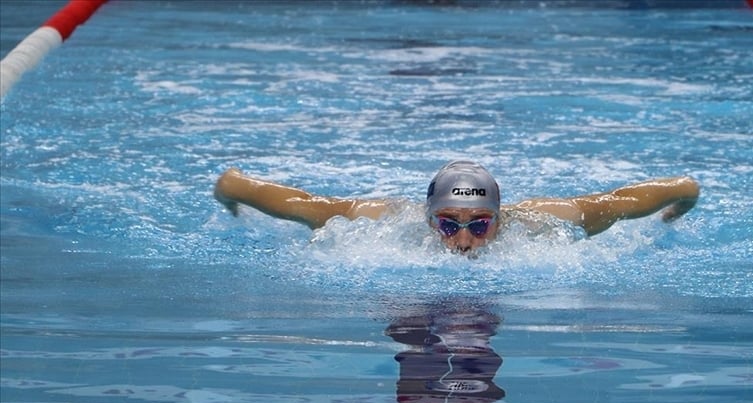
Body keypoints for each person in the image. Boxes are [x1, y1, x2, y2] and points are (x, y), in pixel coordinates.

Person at [213, 160, 699, 254]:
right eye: (447, 225)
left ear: (501, 219)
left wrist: (680, 202)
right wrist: (230, 194)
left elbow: (635, 198)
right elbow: (294, 201)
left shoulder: (544, 224)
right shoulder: (380, 223)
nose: (463, 241)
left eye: (480, 225)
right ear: (427, 219)